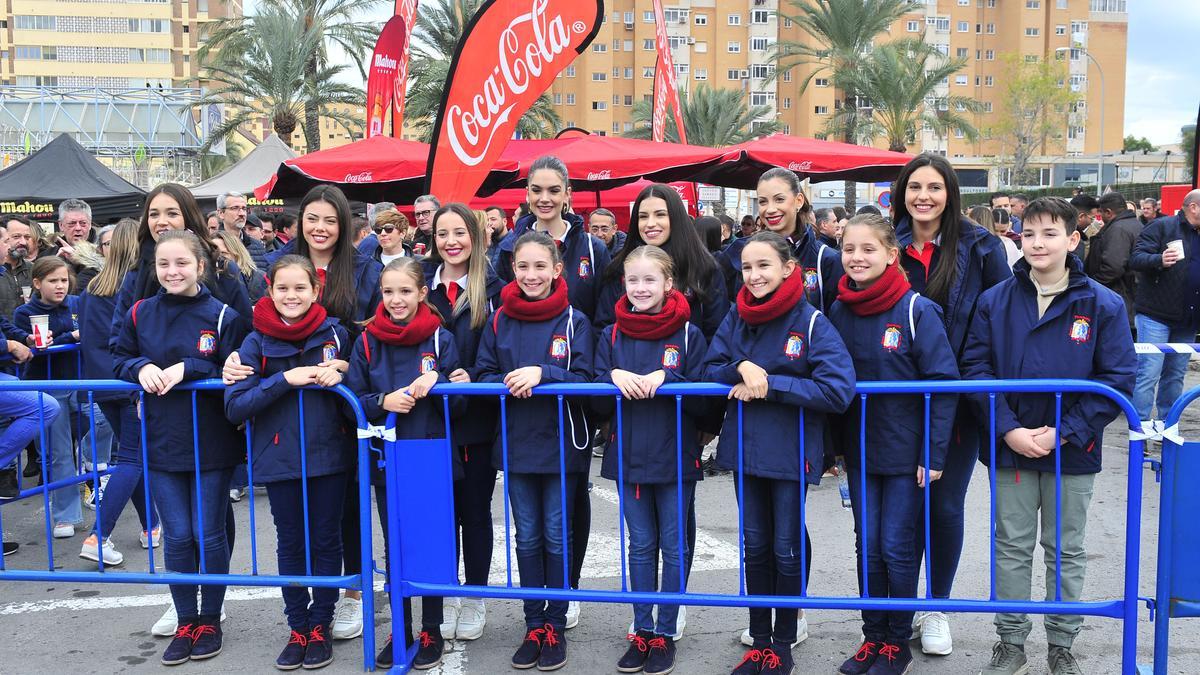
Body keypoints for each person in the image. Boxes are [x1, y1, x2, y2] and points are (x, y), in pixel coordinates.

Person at [962, 197, 1136, 675]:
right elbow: (975, 370)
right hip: (1011, 449)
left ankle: (1062, 642)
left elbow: (1117, 378)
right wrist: (1009, 430)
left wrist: (1066, 432)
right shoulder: (995, 300)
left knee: (1065, 548)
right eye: (1029, 233)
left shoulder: (1102, 303)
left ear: (1072, 239)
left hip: (1073, 451)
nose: (1037, 243)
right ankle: (1011, 641)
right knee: (1011, 546)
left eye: (1049, 233)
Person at [704, 231, 854, 675]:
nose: (753, 276)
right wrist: (741, 366)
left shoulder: (811, 322)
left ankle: (783, 645)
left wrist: (772, 384)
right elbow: (711, 367)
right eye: (747, 267)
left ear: (789, 268)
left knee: (787, 548)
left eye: (764, 265)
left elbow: (837, 389)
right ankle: (760, 641)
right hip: (745, 450)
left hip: (791, 452)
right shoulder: (736, 315)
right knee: (754, 547)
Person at [244, 184, 382, 642]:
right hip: (290, 423)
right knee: (301, 530)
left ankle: (353, 595)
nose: (320, 228)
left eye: (330, 220)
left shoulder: (364, 269)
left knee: (347, 514)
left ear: (344, 225)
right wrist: (230, 360)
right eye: (312, 219)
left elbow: (375, 333)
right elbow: (253, 326)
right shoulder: (277, 266)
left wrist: (346, 362)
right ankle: (307, 616)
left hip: (345, 409)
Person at [828, 215, 959, 675]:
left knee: (897, 547)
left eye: (868, 249)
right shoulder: (839, 309)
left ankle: (896, 643)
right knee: (868, 545)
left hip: (907, 454)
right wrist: (832, 450)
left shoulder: (916, 309)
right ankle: (872, 635)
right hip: (860, 451)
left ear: (890, 254)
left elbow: (944, 385)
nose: (857, 258)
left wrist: (934, 453)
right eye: (848, 249)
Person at [893, 154, 1010, 655]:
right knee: (899, 512)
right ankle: (894, 612)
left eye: (934, 187)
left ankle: (936, 606)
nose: (923, 196)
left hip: (956, 402)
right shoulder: (884, 241)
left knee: (943, 505)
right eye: (914, 186)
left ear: (950, 193)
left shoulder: (982, 247)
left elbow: (1000, 320)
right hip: (892, 402)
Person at [112, 231, 247, 666]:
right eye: (164, 264)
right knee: (177, 535)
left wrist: (187, 367)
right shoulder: (139, 311)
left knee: (208, 533)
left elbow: (233, 364)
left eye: (182, 263)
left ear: (200, 266)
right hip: (160, 438)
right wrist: (142, 367)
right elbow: (118, 356)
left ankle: (211, 618)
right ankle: (187, 618)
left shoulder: (222, 314)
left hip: (211, 440)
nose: (173, 272)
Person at [225, 255, 353, 671]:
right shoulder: (255, 341)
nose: (291, 295)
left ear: (315, 291)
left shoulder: (336, 332)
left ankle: (321, 624)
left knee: (326, 541)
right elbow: (236, 405)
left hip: (330, 455)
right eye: (283, 288)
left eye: (300, 288)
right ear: (270, 291)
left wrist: (346, 368)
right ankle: (297, 626)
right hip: (278, 457)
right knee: (292, 544)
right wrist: (285, 379)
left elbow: (362, 375)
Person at [476, 232, 595, 672]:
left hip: (562, 445)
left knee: (557, 533)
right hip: (516, 445)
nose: (531, 275)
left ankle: (556, 624)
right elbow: (483, 373)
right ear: (511, 269)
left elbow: (588, 377)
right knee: (527, 535)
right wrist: (510, 380)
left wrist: (542, 373)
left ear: (557, 270)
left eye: (540, 267)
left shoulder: (574, 321)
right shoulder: (498, 319)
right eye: (523, 267)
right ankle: (534, 622)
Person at [345, 257, 462, 670]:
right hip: (385, 457)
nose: (396, 300)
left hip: (428, 453)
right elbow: (350, 400)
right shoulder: (365, 341)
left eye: (405, 291)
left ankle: (431, 626)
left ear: (422, 293)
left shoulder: (440, 339)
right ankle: (402, 625)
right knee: (395, 545)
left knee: (428, 542)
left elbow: (463, 400)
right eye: (389, 292)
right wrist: (382, 402)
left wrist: (444, 384)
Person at [596, 245, 706, 675]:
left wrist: (670, 378)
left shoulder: (688, 335)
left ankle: (665, 631)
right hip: (630, 456)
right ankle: (641, 629)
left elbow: (706, 391)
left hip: (676, 455)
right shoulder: (611, 335)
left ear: (668, 284)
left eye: (650, 280)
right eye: (634, 280)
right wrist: (612, 377)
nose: (641, 288)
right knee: (640, 545)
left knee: (674, 546)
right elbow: (593, 387)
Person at [421, 204, 504, 645]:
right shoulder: (420, 284)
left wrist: (474, 376)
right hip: (430, 422)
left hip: (475, 421)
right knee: (438, 515)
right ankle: (445, 594)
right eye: (442, 233)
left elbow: (501, 348)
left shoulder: (495, 288)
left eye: (459, 232)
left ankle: (475, 595)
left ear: (476, 235)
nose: (450, 241)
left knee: (473, 513)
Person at [78, 219, 160, 567]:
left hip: (103, 383)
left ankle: (150, 525)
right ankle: (99, 535)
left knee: (133, 457)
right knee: (131, 459)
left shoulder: (92, 287)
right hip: (129, 383)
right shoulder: (130, 290)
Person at [12, 257, 86, 538]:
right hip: (46, 386)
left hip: (82, 381)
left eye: (64, 280)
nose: (60, 286)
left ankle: (95, 476)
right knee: (59, 454)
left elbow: (91, 332)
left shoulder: (78, 303)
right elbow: (31, 345)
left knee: (104, 428)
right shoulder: (24, 312)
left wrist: (74, 336)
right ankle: (66, 515)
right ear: (37, 283)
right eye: (53, 281)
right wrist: (69, 336)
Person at [597, 184, 728, 340]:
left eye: (660, 214)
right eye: (643, 216)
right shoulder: (619, 268)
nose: (650, 223)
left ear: (676, 217)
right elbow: (603, 328)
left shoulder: (703, 268)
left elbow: (717, 335)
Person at [718, 168, 843, 314]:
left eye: (779, 199)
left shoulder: (826, 259)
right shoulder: (738, 250)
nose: (770, 209)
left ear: (799, 201)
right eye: (763, 201)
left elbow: (835, 318)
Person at [1127, 189, 1200, 423]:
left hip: (1188, 319)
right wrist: (1159, 259)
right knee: (1149, 371)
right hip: (1155, 314)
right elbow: (1135, 259)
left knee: (1176, 374)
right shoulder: (1163, 226)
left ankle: (1168, 426)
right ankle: (1140, 429)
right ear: (1193, 207)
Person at [1084, 192, 1141, 328]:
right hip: (1131, 295)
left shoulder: (1118, 229)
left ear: (1108, 212)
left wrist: (1093, 284)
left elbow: (1113, 267)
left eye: (1101, 213)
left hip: (1120, 295)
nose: (1100, 218)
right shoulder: (1135, 224)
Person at [217, 192, 269, 272]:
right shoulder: (212, 244)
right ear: (221, 213)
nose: (242, 214)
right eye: (235, 208)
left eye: (244, 209)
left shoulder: (257, 246)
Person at [213, 231, 267, 302]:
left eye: (223, 253)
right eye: (213, 253)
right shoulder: (206, 281)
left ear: (237, 255)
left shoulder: (258, 279)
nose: (218, 258)